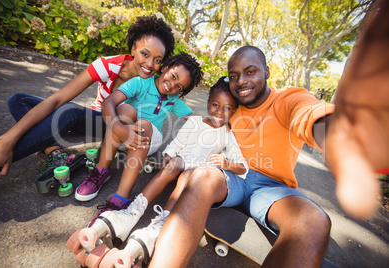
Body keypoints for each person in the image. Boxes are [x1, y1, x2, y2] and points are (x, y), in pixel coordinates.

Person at [149, 2, 389, 266]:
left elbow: (310, 114)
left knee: (315, 220)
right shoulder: (232, 107)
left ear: (267, 72)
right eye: (234, 76)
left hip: (272, 188)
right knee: (202, 174)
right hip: (231, 177)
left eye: (250, 72)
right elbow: (201, 123)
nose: (241, 81)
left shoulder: (289, 99)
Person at [0, 15, 175, 178]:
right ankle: (52, 150)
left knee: (68, 113)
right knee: (18, 100)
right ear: (133, 49)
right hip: (91, 116)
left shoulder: (157, 83)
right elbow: (57, 99)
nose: (150, 64)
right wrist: (4, 140)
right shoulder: (107, 66)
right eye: (144, 54)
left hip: (117, 129)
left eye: (158, 60)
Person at [93, 77, 248, 260]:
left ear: (235, 111)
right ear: (208, 103)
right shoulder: (195, 122)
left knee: (186, 177)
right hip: (182, 160)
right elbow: (177, 144)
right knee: (172, 166)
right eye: (215, 104)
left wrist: (227, 164)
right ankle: (133, 211)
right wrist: (168, 154)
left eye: (228, 108)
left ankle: (161, 223)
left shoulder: (228, 133)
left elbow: (243, 167)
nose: (220, 112)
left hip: (199, 171)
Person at [81, 52, 203, 226]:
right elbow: (109, 102)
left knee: (144, 124)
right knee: (126, 111)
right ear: (165, 68)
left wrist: (223, 125)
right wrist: (119, 128)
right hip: (121, 134)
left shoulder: (174, 100)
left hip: (148, 140)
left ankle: (120, 198)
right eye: (173, 76)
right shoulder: (140, 82)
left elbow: (196, 120)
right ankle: (101, 171)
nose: (171, 86)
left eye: (179, 87)